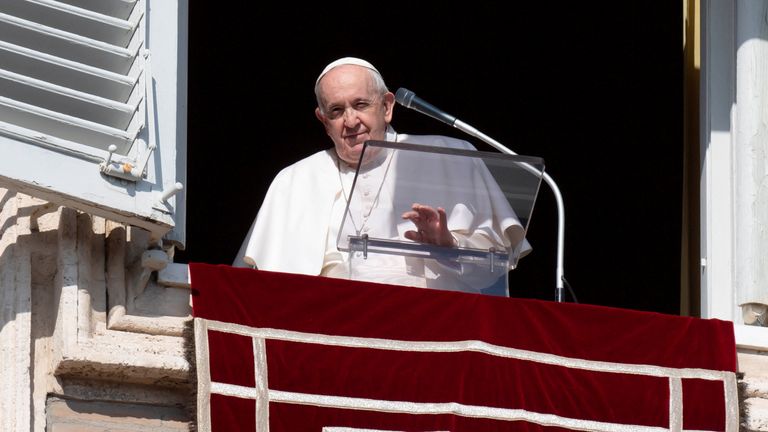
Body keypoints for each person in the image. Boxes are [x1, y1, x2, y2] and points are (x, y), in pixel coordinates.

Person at [234, 57, 531, 294]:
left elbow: (493, 269)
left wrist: (449, 246)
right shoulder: (294, 180)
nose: (351, 121)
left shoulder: (449, 155)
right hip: (332, 334)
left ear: (387, 106)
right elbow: (256, 289)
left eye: (360, 104)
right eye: (336, 111)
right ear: (323, 121)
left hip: (437, 329)